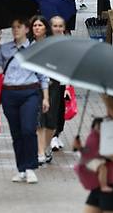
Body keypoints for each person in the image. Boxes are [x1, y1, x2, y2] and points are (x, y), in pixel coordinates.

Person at [0, 19, 49, 184]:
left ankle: (31, 167)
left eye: (19, 27)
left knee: (28, 129)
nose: (15, 30)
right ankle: (21, 168)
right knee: (16, 133)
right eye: (13, 27)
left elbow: (43, 75)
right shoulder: (5, 49)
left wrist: (46, 97)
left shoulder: (34, 49)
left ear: (27, 29)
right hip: (10, 93)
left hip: (30, 91)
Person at [75, 96, 113, 213]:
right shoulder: (105, 123)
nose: (108, 111)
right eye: (107, 106)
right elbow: (91, 151)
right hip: (98, 183)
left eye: (112, 107)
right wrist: (81, 148)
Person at [29, 16, 54, 165]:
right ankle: (40, 151)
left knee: (50, 120)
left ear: (46, 28)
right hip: (34, 86)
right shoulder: (29, 45)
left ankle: (45, 147)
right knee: (38, 120)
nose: (37, 28)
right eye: (35, 25)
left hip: (53, 85)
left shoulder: (51, 45)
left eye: (40, 25)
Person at [49, 16, 67, 152]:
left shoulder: (66, 42)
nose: (58, 28)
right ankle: (52, 135)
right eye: (55, 26)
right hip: (49, 80)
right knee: (51, 107)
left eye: (60, 26)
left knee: (60, 107)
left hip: (62, 80)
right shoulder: (47, 42)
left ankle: (58, 132)